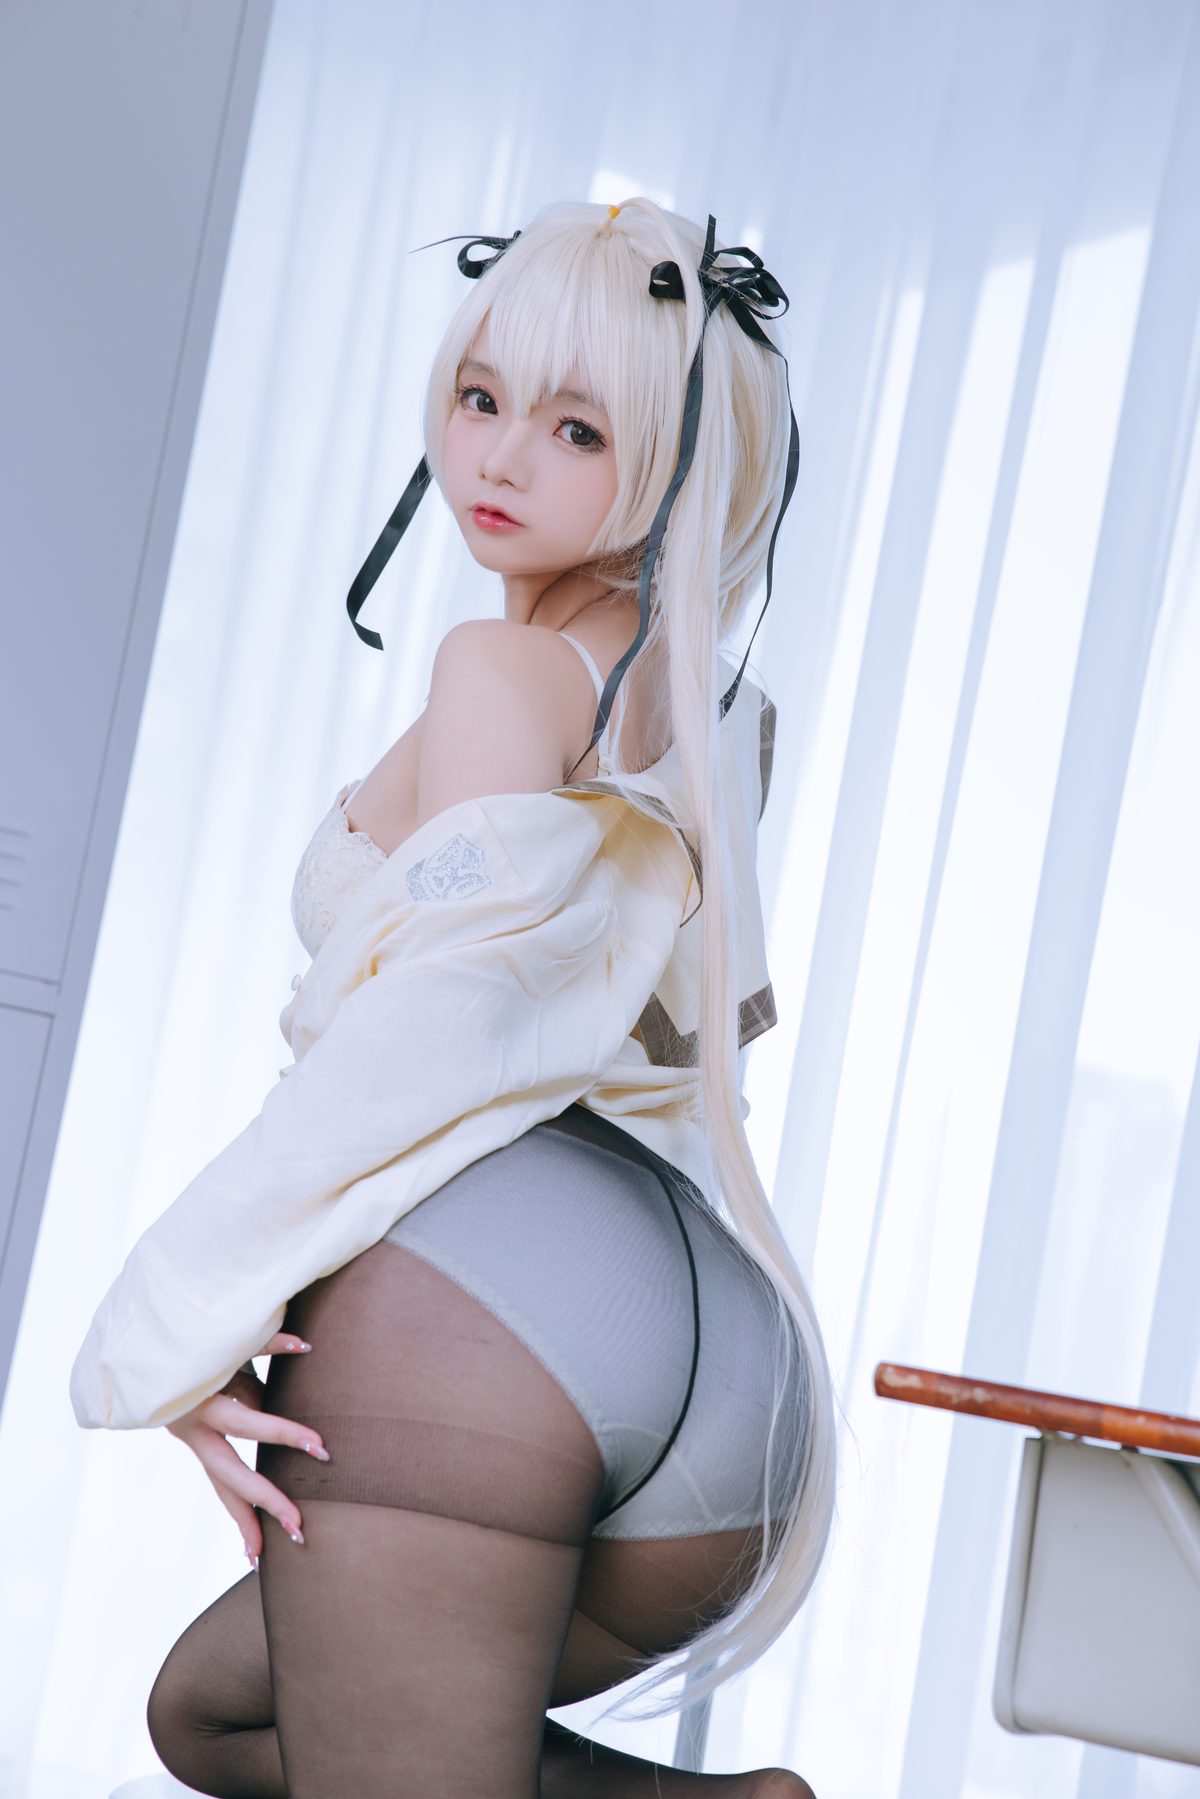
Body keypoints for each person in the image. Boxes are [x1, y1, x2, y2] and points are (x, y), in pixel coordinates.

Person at [70, 198, 836, 1797]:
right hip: (722, 1369)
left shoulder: (502, 675)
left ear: (678, 466)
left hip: (496, 1309)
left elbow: (445, 1029)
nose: (499, 457)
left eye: (577, 429)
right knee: (208, 1716)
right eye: (482, 399)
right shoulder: (712, 707)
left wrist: (179, 1312)